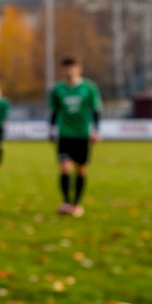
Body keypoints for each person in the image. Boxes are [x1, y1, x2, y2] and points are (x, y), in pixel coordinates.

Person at [49, 57, 101, 217]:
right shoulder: (58, 89)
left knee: (81, 169)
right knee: (64, 167)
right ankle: (66, 202)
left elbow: (96, 111)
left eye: (72, 68)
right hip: (65, 134)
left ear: (79, 69)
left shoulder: (89, 88)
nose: (69, 71)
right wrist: (52, 129)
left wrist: (95, 131)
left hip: (82, 134)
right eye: (66, 68)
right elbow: (54, 111)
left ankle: (76, 204)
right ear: (63, 70)